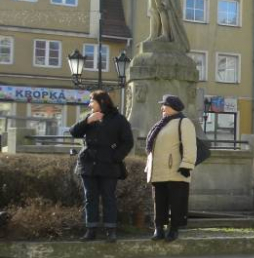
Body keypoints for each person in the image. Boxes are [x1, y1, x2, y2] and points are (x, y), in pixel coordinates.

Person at [70, 90, 133, 243]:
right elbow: (74, 132)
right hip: (88, 165)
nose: (89, 104)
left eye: (92, 101)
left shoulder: (118, 119)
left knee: (108, 198)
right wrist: (88, 121)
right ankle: (90, 230)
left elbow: (128, 142)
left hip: (109, 166)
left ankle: (111, 231)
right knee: (90, 198)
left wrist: (115, 157)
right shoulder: (89, 117)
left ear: (102, 102)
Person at [145, 94, 197, 242]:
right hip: (158, 171)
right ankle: (159, 229)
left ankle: (173, 230)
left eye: (165, 105)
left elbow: (190, 146)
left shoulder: (184, 122)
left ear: (173, 106)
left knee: (176, 202)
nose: (162, 107)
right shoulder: (161, 124)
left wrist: (187, 165)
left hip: (176, 170)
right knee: (159, 201)